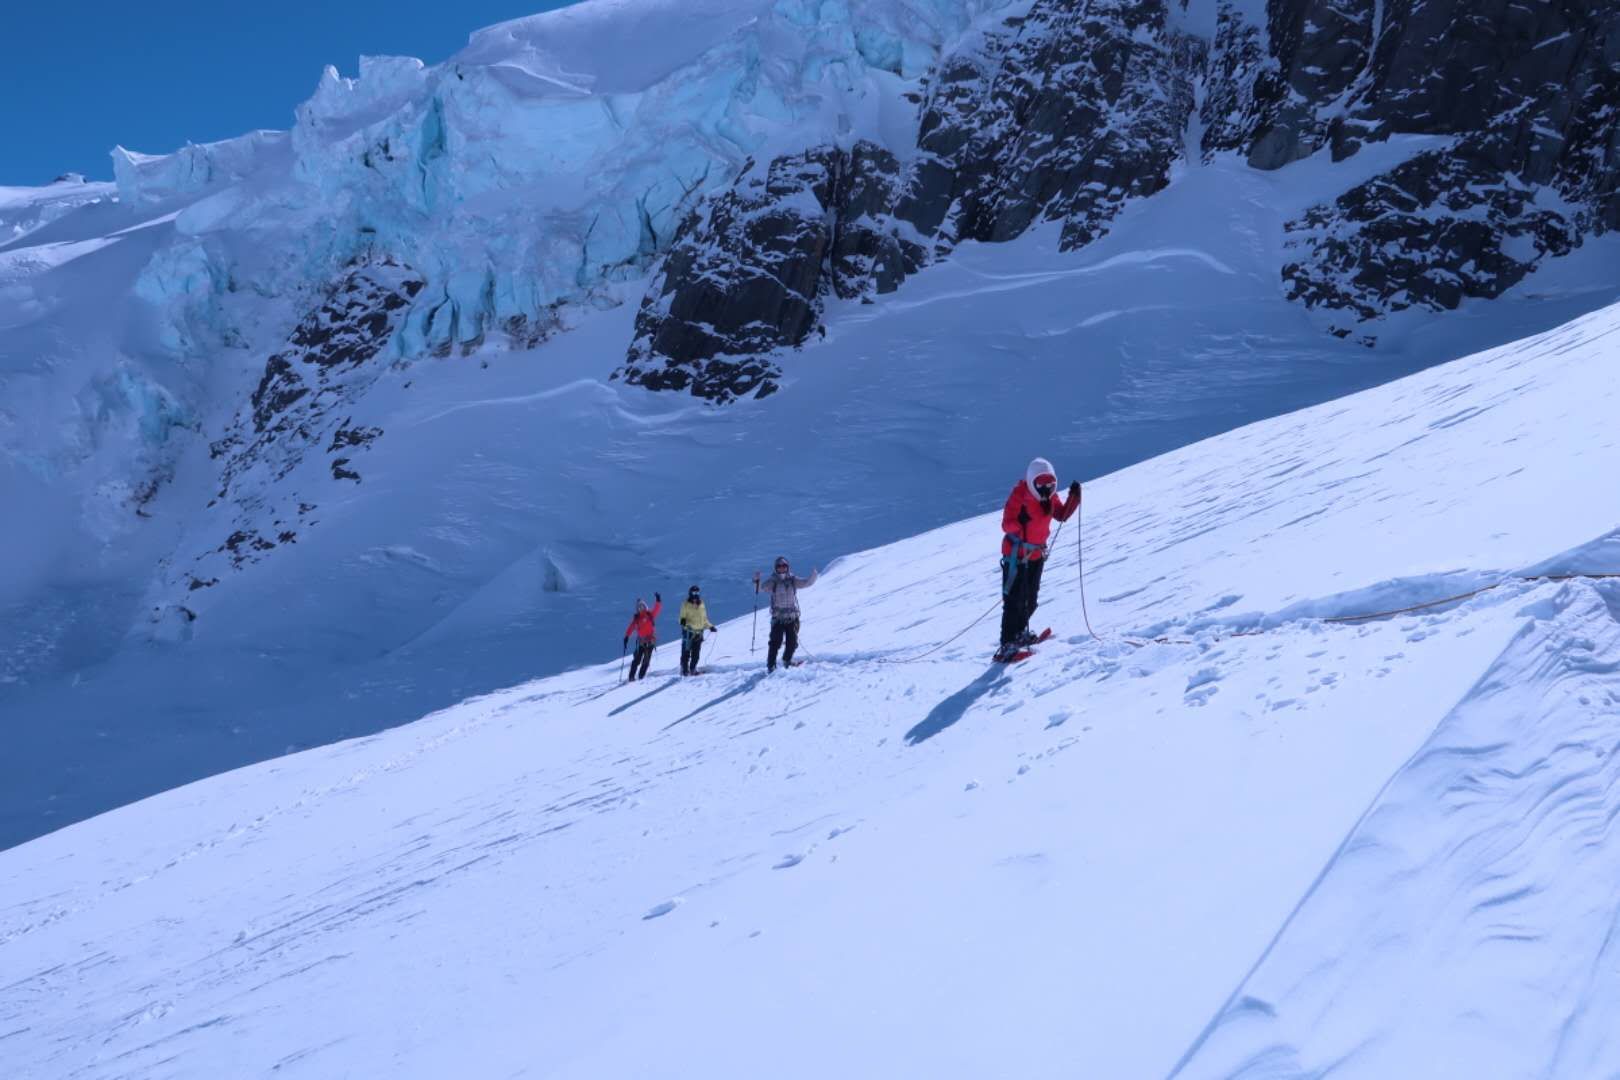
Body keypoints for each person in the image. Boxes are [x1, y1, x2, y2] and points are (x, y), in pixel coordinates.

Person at [998, 457, 1081, 660]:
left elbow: (1061, 514)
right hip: (1016, 557)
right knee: (1014, 600)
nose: (1046, 488)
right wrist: (1019, 522)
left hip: (1036, 555)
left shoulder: (1049, 497)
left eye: (1050, 483)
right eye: (1041, 484)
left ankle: (1019, 634)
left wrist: (1074, 498)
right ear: (1031, 480)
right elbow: (1006, 525)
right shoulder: (1020, 495)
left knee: (1031, 600)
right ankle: (1007, 644)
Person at [754, 557, 817, 672]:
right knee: (775, 642)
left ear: (787, 567)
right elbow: (761, 589)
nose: (782, 568)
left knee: (792, 642)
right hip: (778, 618)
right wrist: (756, 581)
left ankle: (787, 660)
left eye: (784, 566)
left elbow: (806, 583)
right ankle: (771, 665)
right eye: (779, 566)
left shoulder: (792, 579)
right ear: (776, 568)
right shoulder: (773, 581)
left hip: (792, 617)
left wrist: (813, 576)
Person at [678, 584, 717, 676]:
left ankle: (693, 669)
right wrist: (683, 623)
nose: (696, 594)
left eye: (697, 592)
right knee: (686, 652)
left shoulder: (702, 604)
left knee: (696, 653)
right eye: (694, 592)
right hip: (688, 632)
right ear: (690, 593)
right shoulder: (685, 604)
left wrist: (710, 626)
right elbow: (682, 617)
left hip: (699, 633)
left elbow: (704, 619)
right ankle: (684, 670)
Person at [623, 592, 662, 680]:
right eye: (639, 607)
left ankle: (641, 676)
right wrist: (626, 637)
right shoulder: (636, 619)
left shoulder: (650, 615)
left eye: (642, 606)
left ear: (645, 607)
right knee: (637, 660)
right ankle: (631, 677)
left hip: (650, 641)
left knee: (646, 661)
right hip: (641, 642)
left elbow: (657, 609)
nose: (641, 608)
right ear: (637, 609)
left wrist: (658, 600)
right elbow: (630, 628)